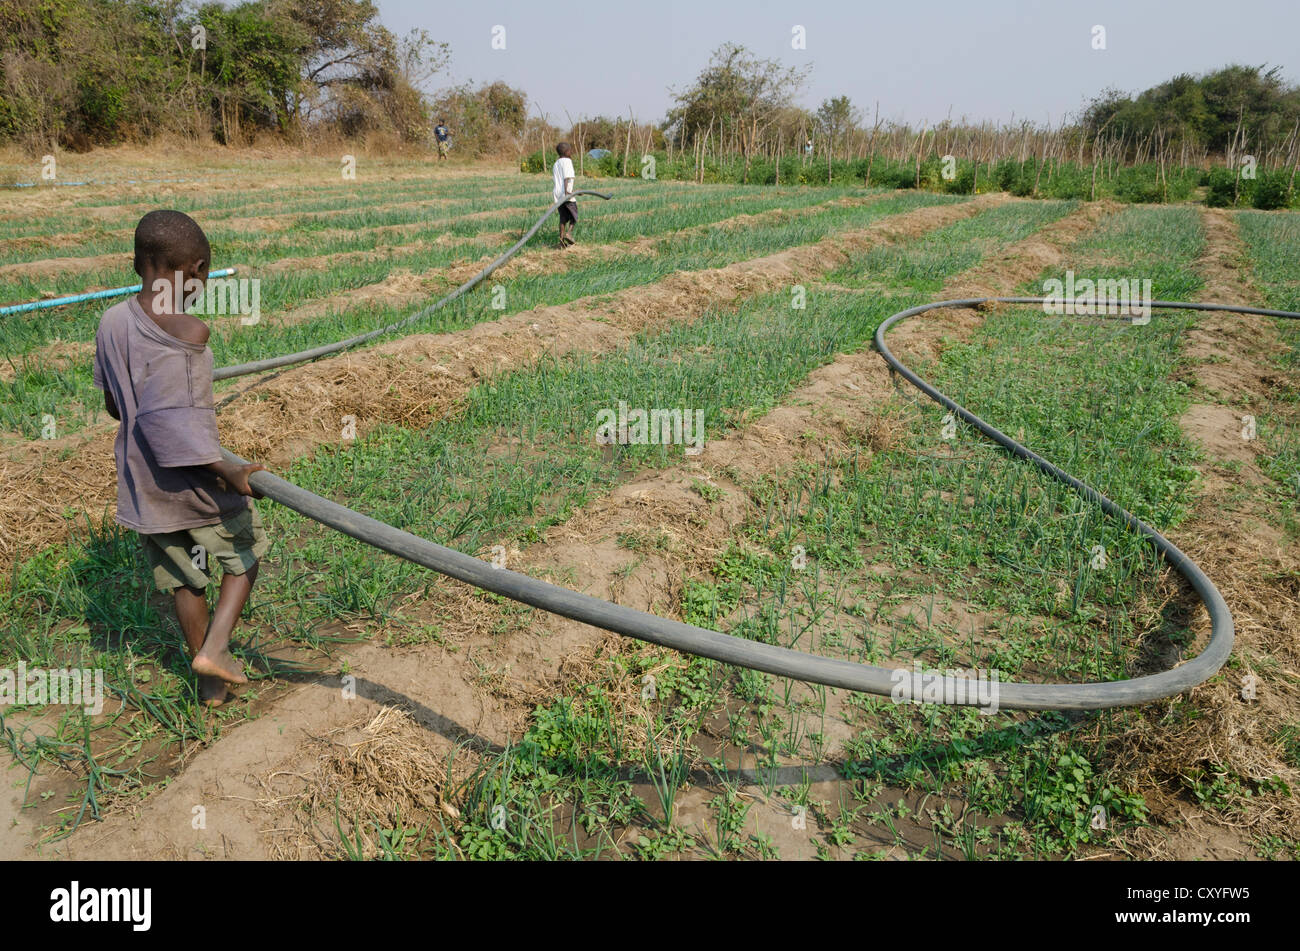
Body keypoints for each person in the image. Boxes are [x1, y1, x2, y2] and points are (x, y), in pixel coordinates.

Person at [92, 210, 269, 707]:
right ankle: (215, 648)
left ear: (137, 262)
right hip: (190, 481)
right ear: (196, 271)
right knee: (244, 551)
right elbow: (177, 429)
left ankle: (211, 686)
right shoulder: (188, 333)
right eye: (205, 276)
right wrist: (227, 470)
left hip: (141, 483)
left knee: (184, 577)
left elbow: (114, 405)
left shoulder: (110, 322)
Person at [552, 142, 577, 248]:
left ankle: (561, 241)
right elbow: (567, 177)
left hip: (557, 194)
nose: (571, 152)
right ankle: (569, 233)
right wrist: (568, 193)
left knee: (563, 218)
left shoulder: (556, 163)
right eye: (570, 150)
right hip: (565, 193)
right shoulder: (567, 161)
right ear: (567, 152)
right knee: (574, 216)